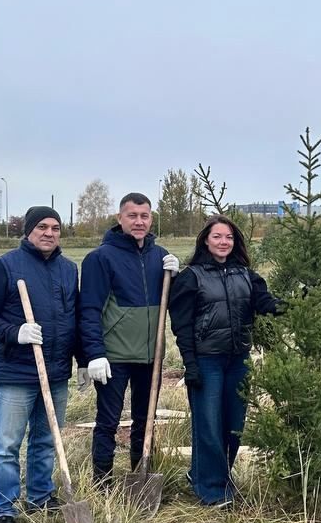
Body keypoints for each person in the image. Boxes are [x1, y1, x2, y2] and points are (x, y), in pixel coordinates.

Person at [0, 206, 79, 523]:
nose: (49, 233)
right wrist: (14, 332)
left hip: (57, 371)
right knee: (6, 445)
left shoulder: (67, 269)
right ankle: (3, 509)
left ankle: (40, 496)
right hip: (16, 373)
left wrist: (85, 359)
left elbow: (72, 320)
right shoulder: (5, 267)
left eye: (56, 228)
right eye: (42, 227)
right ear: (29, 230)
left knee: (46, 440)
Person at [168, 215, 281, 506]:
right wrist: (190, 364)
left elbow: (264, 303)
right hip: (207, 360)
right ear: (206, 239)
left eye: (228, 237)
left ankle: (203, 474)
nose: (223, 242)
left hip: (238, 359)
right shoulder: (191, 277)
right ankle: (213, 490)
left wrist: (291, 304)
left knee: (233, 425)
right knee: (208, 423)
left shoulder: (245, 274)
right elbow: (181, 324)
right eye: (217, 236)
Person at [79, 192, 180, 488]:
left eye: (144, 216)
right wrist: (94, 353)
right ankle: (103, 481)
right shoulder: (100, 258)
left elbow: (174, 303)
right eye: (132, 216)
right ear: (119, 218)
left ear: (151, 218)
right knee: (108, 422)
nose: (139, 222)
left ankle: (140, 475)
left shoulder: (160, 256)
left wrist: (177, 277)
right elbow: (89, 310)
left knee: (144, 420)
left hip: (151, 356)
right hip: (114, 357)